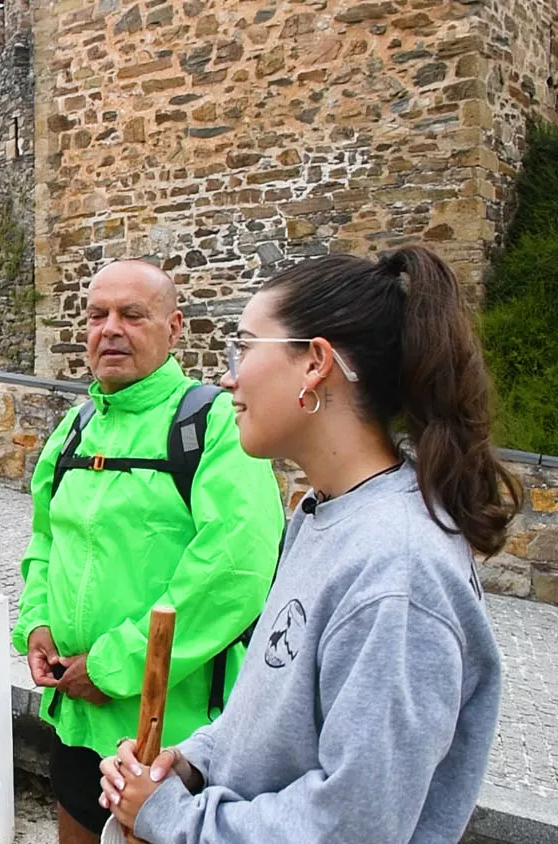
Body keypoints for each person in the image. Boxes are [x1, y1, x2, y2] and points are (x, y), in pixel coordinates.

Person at [98, 245, 519, 843]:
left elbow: (351, 828)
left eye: (244, 347)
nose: (228, 376)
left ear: (315, 363)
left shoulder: (396, 571)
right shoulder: (322, 514)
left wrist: (173, 818)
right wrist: (187, 765)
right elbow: (271, 719)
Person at [13, 259, 286, 844]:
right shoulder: (75, 429)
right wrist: (35, 622)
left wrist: (113, 666)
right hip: (77, 721)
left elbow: (234, 571)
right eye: (96, 315)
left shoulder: (213, 424)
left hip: (172, 740)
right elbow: (45, 539)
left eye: (132, 315)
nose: (110, 329)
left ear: (174, 327)